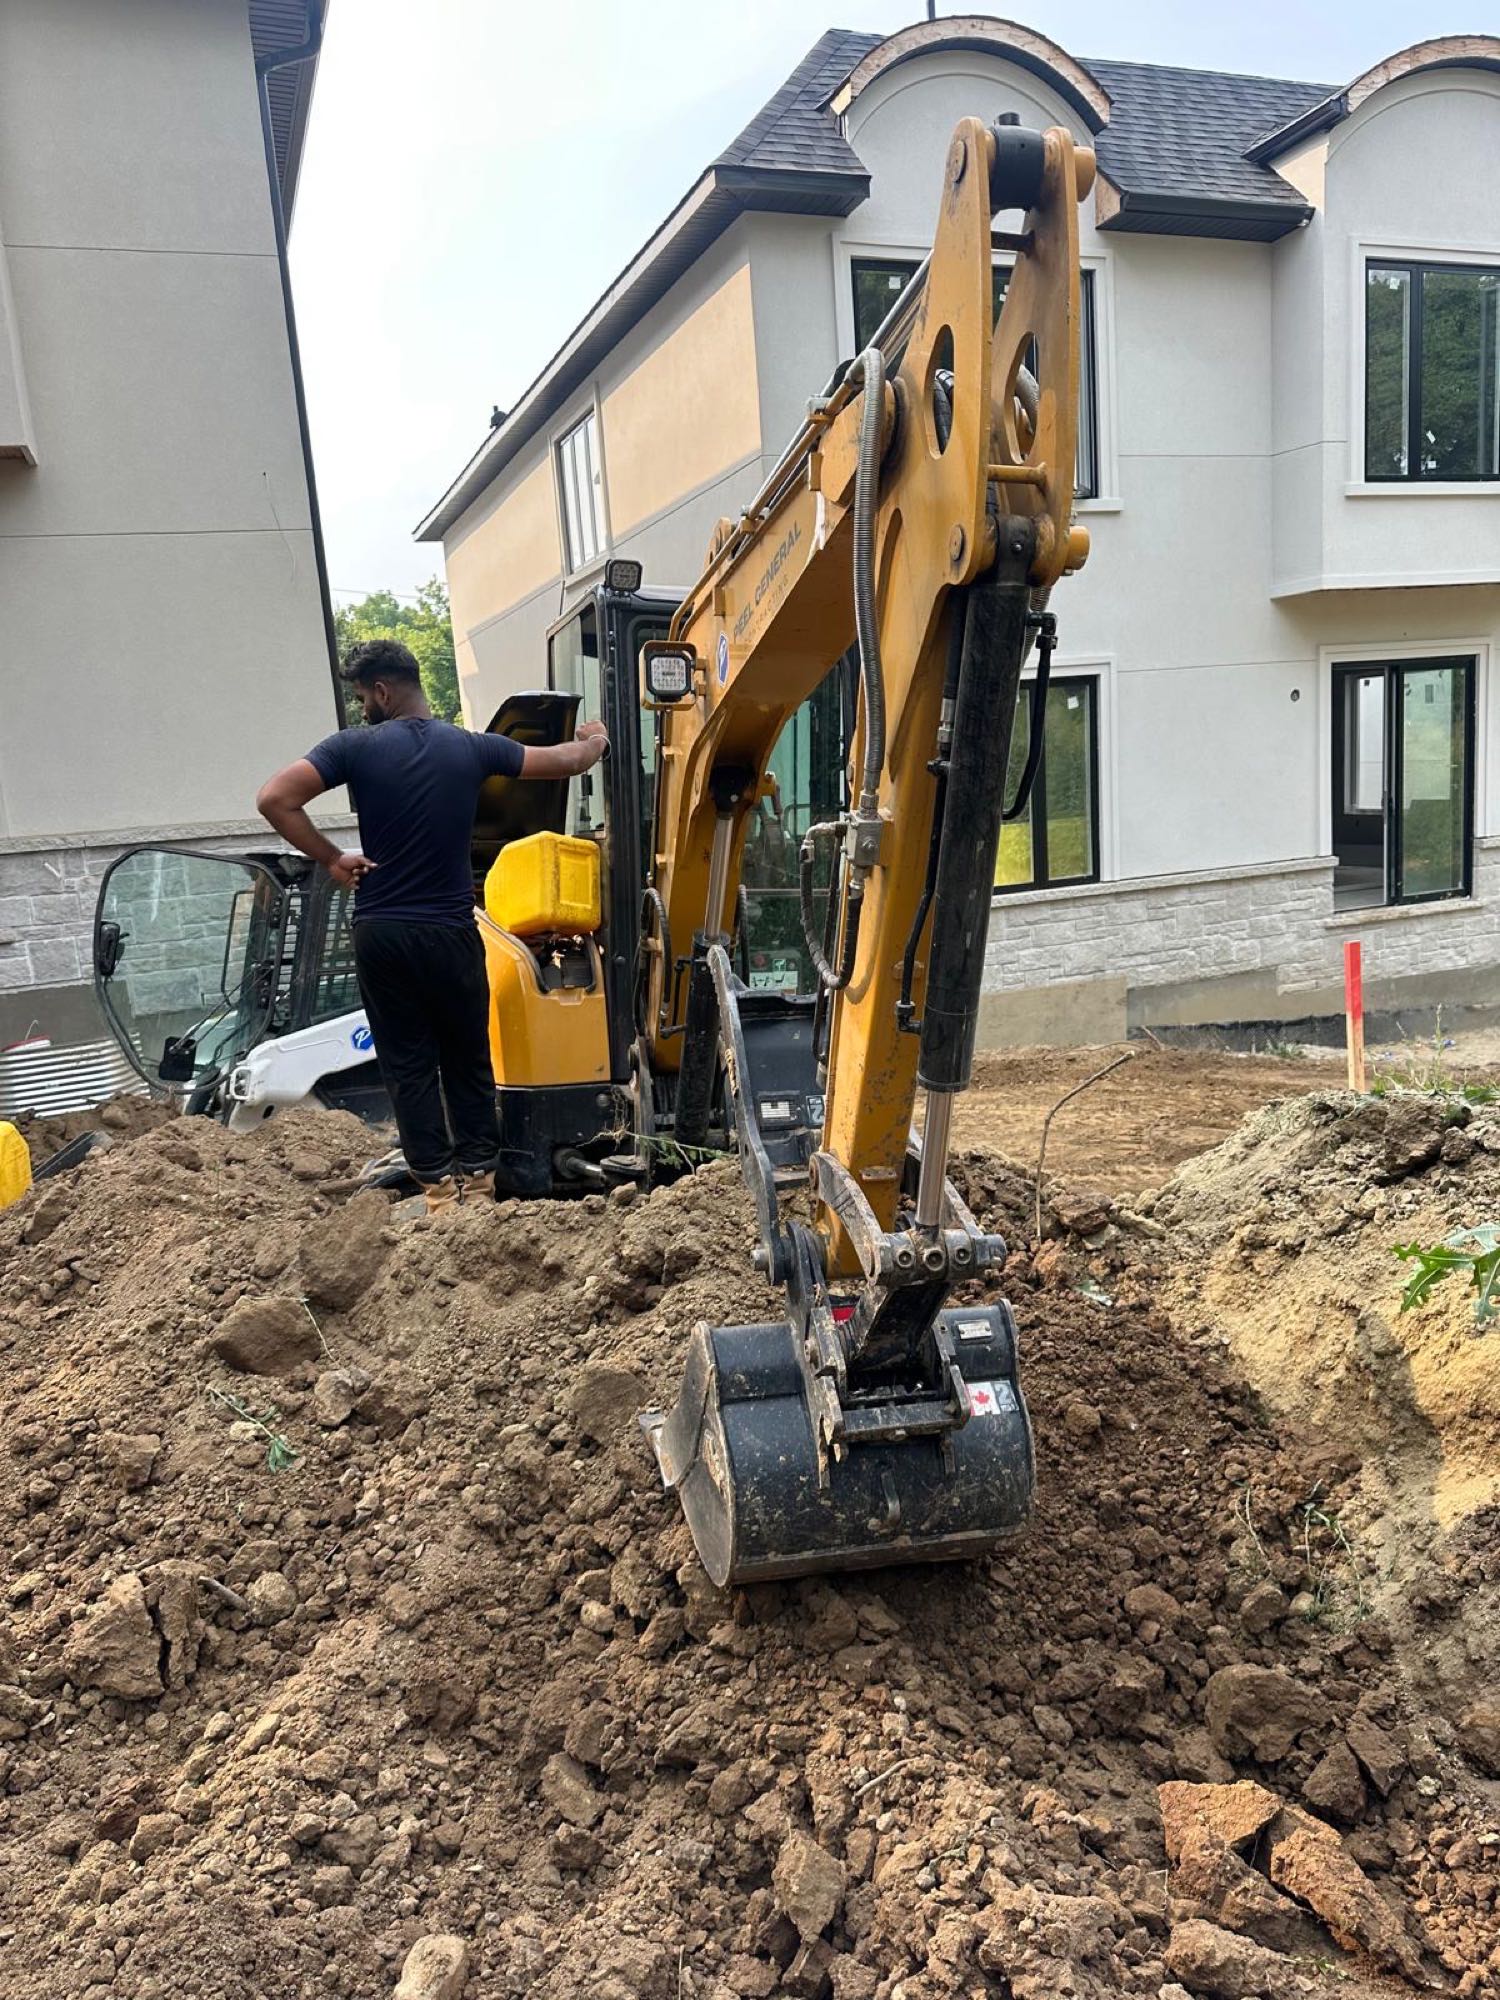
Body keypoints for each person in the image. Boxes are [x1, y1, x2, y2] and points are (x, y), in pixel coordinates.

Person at [256, 639, 607, 1211]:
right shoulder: (472, 747)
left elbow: (275, 798)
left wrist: (330, 857)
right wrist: (595, 738)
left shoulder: (352, 747)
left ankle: (438, 1192)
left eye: (362, 697)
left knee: (407, 1062)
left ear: (382, 691)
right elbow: (564, 761)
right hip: (449, 930)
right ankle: (479, 1182)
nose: (362, 708)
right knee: (466, 1054)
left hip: (383, 932)